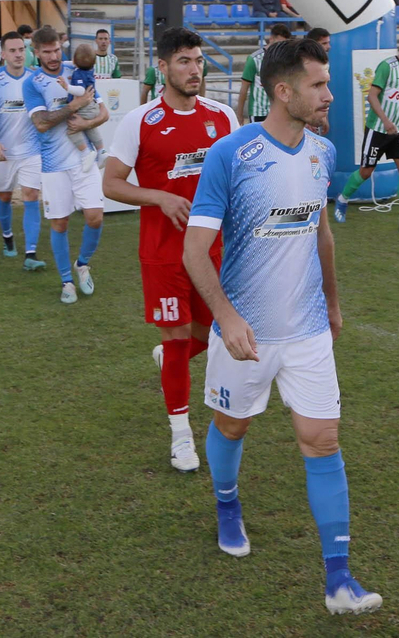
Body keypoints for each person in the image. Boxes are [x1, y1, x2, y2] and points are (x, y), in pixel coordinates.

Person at [182, 36, 382, 615]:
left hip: (309, 330)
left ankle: (339, 581)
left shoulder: (321, 153)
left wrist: (335, 305)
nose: (329, 96)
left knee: (323, 441)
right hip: (245, 335)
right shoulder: (231, 155)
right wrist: (226, 316)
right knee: (233, 426)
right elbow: (196, 251)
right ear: (283, 90)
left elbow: (323, 235)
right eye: (319, 86)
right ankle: (226, 506)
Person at [103, 27, 238, 471]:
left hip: (213, 251)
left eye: (198, 60)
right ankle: (181, 436)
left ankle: (169, 361)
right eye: (184, 61)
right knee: (177, 339)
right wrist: (159, 196)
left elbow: (234, 180)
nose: (195, 69)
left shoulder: (222, 118)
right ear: (162, 67)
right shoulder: (139, 121)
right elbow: (112, 184)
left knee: (208, 335)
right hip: (162, 252)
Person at [27, 26, 109, 305]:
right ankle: (66, 281)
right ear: (36, 52)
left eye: (56, 49)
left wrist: (87, 122)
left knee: (95, 217)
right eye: (46, 51)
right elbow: (41, 123)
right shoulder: (33, 82)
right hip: (54, 166)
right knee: (59, 223)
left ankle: (82, 263)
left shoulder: (75, 71)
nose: (53, 56)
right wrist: (75, 107)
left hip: (84, 163)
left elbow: (103, 112)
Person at [332, 32, 399, 231]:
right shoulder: (387, 66)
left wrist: (394, 122)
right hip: (378, 128)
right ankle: (342, 199)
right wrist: (385, 121)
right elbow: (372, 96)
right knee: (366, 172)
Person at [0, 32, 44, 268]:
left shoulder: (36, 78)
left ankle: (31, 255)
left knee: (31, 195)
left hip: (32, 150)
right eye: (13, 51)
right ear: (3, 54)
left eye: (21, 50)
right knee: (4, 196)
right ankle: (7, 237)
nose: (18, 55)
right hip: (3, 152)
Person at [59, 42, 107, 170]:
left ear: (74, 60)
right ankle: (101, 151)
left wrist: (67, 87)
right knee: (91, 129)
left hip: (84, 108)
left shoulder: (79, 74)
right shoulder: (90, 70)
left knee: (72, 130)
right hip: (93, 107)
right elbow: (71, 64)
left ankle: (86, 153)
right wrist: (61, 63)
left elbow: (80, 90)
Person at [236, 24, 288, 125]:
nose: (281, 47)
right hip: (258, 112)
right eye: (279, 43)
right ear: (271, 39)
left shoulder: (284, 60)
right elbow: (244, 89)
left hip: (278, 111)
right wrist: (239, 114)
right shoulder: (254, 59)